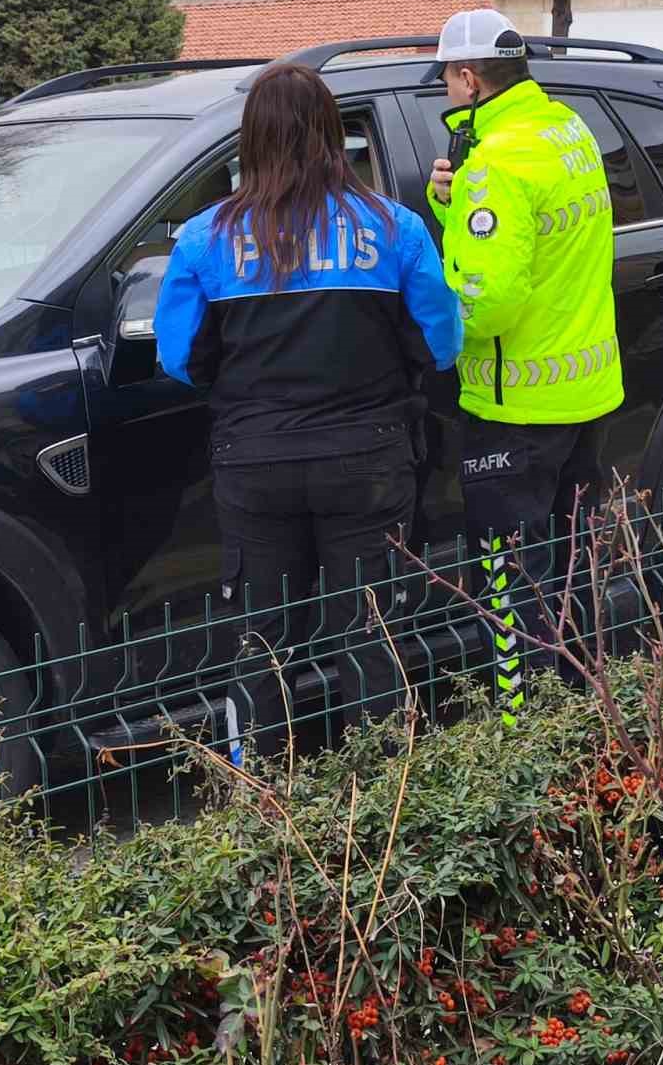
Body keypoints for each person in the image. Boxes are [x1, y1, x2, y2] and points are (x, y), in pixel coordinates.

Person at [154, 63, 461, 745]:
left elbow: (177, 358)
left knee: (261, 642)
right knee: (369, 631)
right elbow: (442, 341)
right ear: (331, 133)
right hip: (370, 459)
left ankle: (263, 799)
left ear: (252, 139)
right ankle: (383, 801)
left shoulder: (205, 238)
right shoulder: (397, 227)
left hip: (255, 464)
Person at [426, 8, 622, 726]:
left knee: (509, 584)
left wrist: (435, 332)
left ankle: (523, 734)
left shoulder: (495, 166)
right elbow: (542, 249)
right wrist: (452, 205)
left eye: (448, 77)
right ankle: (585, 713)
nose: (447, 90)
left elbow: (488, 299)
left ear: (470, 78)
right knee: (572, 571)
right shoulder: (568, 130)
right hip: (586, 392)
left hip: (514, 409)